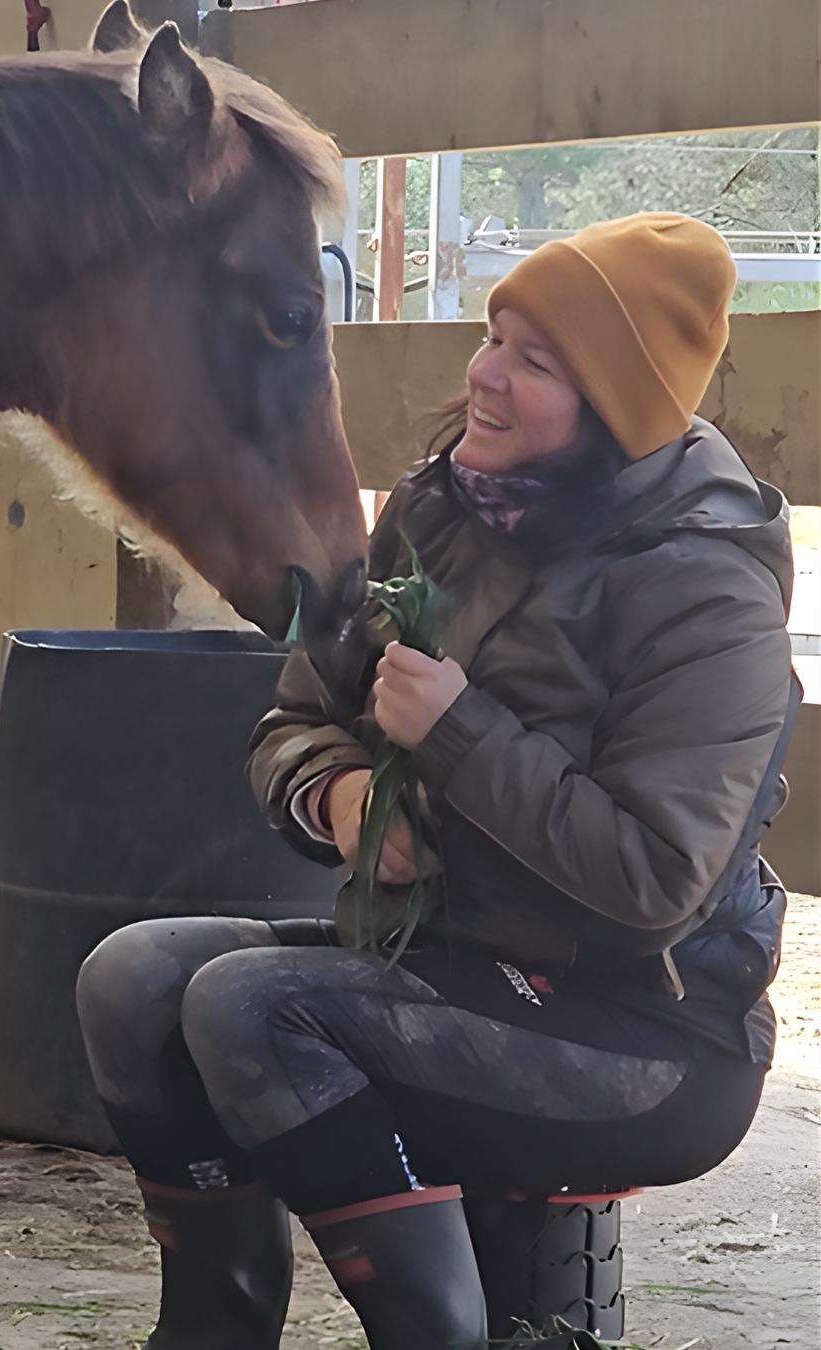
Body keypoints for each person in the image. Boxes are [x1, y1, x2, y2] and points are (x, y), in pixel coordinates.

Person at [76, 213, 796, 1350]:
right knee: (135, 979)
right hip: (447, 955)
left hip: (643, 1031)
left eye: (535, 360)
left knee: (251, 1005)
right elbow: (297, 716)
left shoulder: (707, 593)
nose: (485, 374)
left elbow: (658, 878)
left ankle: (438, 1336)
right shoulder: (439, 506)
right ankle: (215, 1324)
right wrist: (342, 800)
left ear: (616, 406)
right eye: (493, 335)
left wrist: (458, 731)